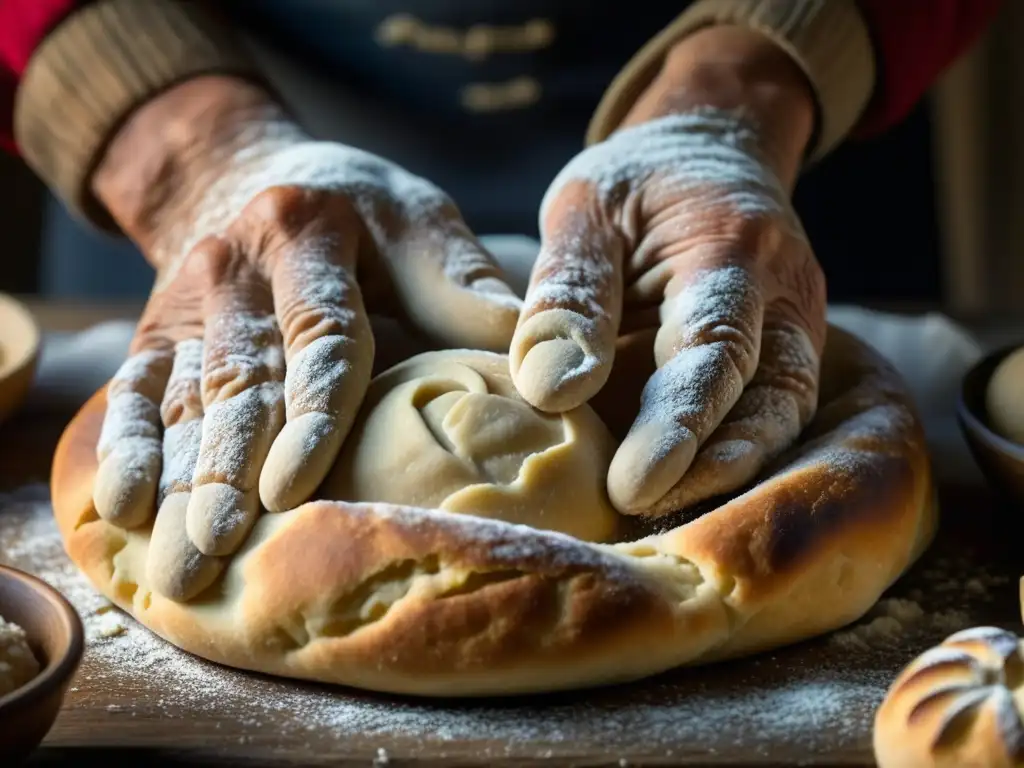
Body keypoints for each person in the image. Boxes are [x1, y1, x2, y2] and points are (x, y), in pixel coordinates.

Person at [0, 1, 1003, 573]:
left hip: (777, 167)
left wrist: (741, 95)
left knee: (785, 438)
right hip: (218, 152)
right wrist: (189, 162)